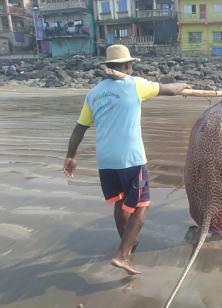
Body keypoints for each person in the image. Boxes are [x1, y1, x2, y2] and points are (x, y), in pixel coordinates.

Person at [63, 44, 191, 275]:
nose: (132, 67)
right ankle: (122, 254)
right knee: (142, 206)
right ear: (126, 65)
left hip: (106, 162)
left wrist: (70, 157)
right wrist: (183, 85)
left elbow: (79, 129)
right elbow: (169, 90)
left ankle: (128, 243)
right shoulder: (135, 85)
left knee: (120, 202)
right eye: (130, 63)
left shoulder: (93, 94)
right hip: (131, 159)